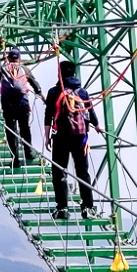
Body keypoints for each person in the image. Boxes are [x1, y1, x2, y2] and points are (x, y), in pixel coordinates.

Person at [44, 60, 103, 220]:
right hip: (80, 139)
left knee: (59, 172)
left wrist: (46, 136)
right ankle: (88, 207)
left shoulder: (54, 92)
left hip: (61, 138)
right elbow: (90, 111)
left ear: (60, 73)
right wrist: (97, 126)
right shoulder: (82, 92)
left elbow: (48, 114)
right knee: (83, 172)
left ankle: (62, 208)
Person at [0, 48, 45, 169]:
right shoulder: (24, 69)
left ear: (8, 58)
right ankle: (28, 152)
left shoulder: (2, 69)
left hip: (8, 104)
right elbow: (36, 85)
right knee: (25, 127)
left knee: (11, 130)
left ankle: (15, 159)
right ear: (18, 59)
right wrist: (43, 98)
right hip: (22, 103)